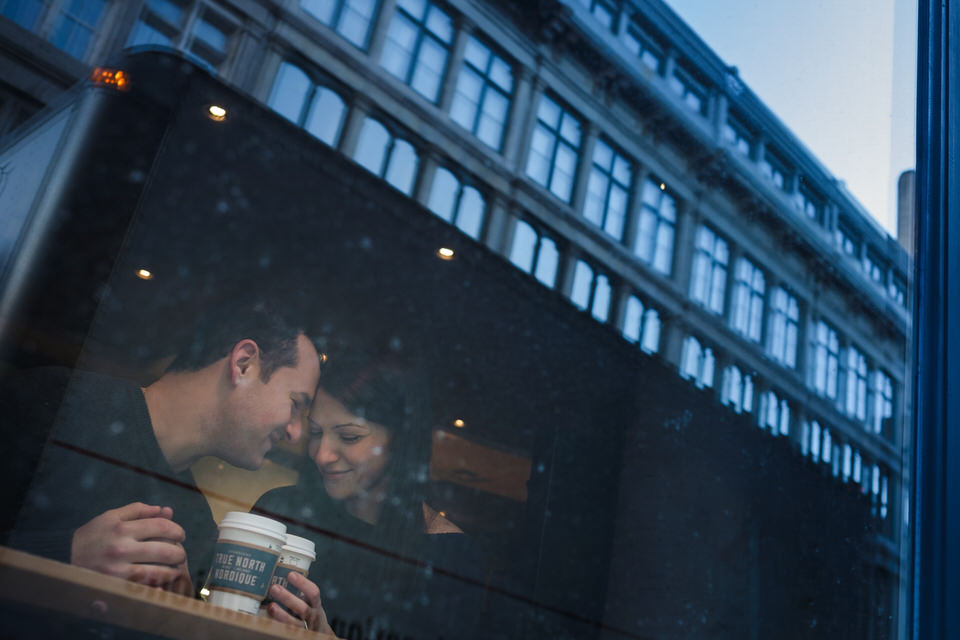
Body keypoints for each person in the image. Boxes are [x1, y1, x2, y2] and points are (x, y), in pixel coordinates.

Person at [4, 298, 321, 598]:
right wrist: (64, 556)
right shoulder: (57, 406)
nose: (295, 433)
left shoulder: (193, 524)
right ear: (243, 364)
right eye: (296, 404)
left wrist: (174, 614)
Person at [254, 351, 486, 639]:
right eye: (315, 432)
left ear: (399, 443)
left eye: (350, 437)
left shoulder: (451, 560)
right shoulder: (281, 510)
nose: (322, 455)